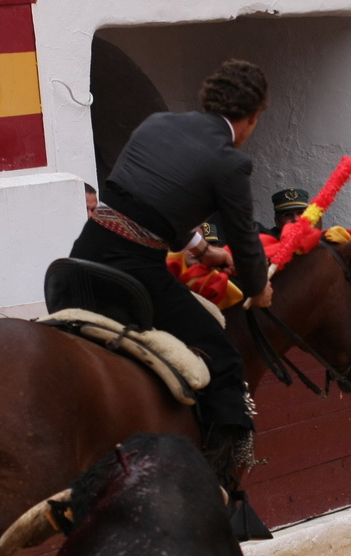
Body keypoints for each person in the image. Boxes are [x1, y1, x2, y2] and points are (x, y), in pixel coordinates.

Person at [69, 58, 273, 473]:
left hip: (82, 257)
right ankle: (218, 478)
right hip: (134, 274)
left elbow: (147, 202)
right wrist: (258, 289)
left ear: (208, 99)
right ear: (254, 117)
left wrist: (201, 250)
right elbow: (246, 244)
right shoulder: (230, 162)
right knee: (226, 359)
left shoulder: (156, 124)